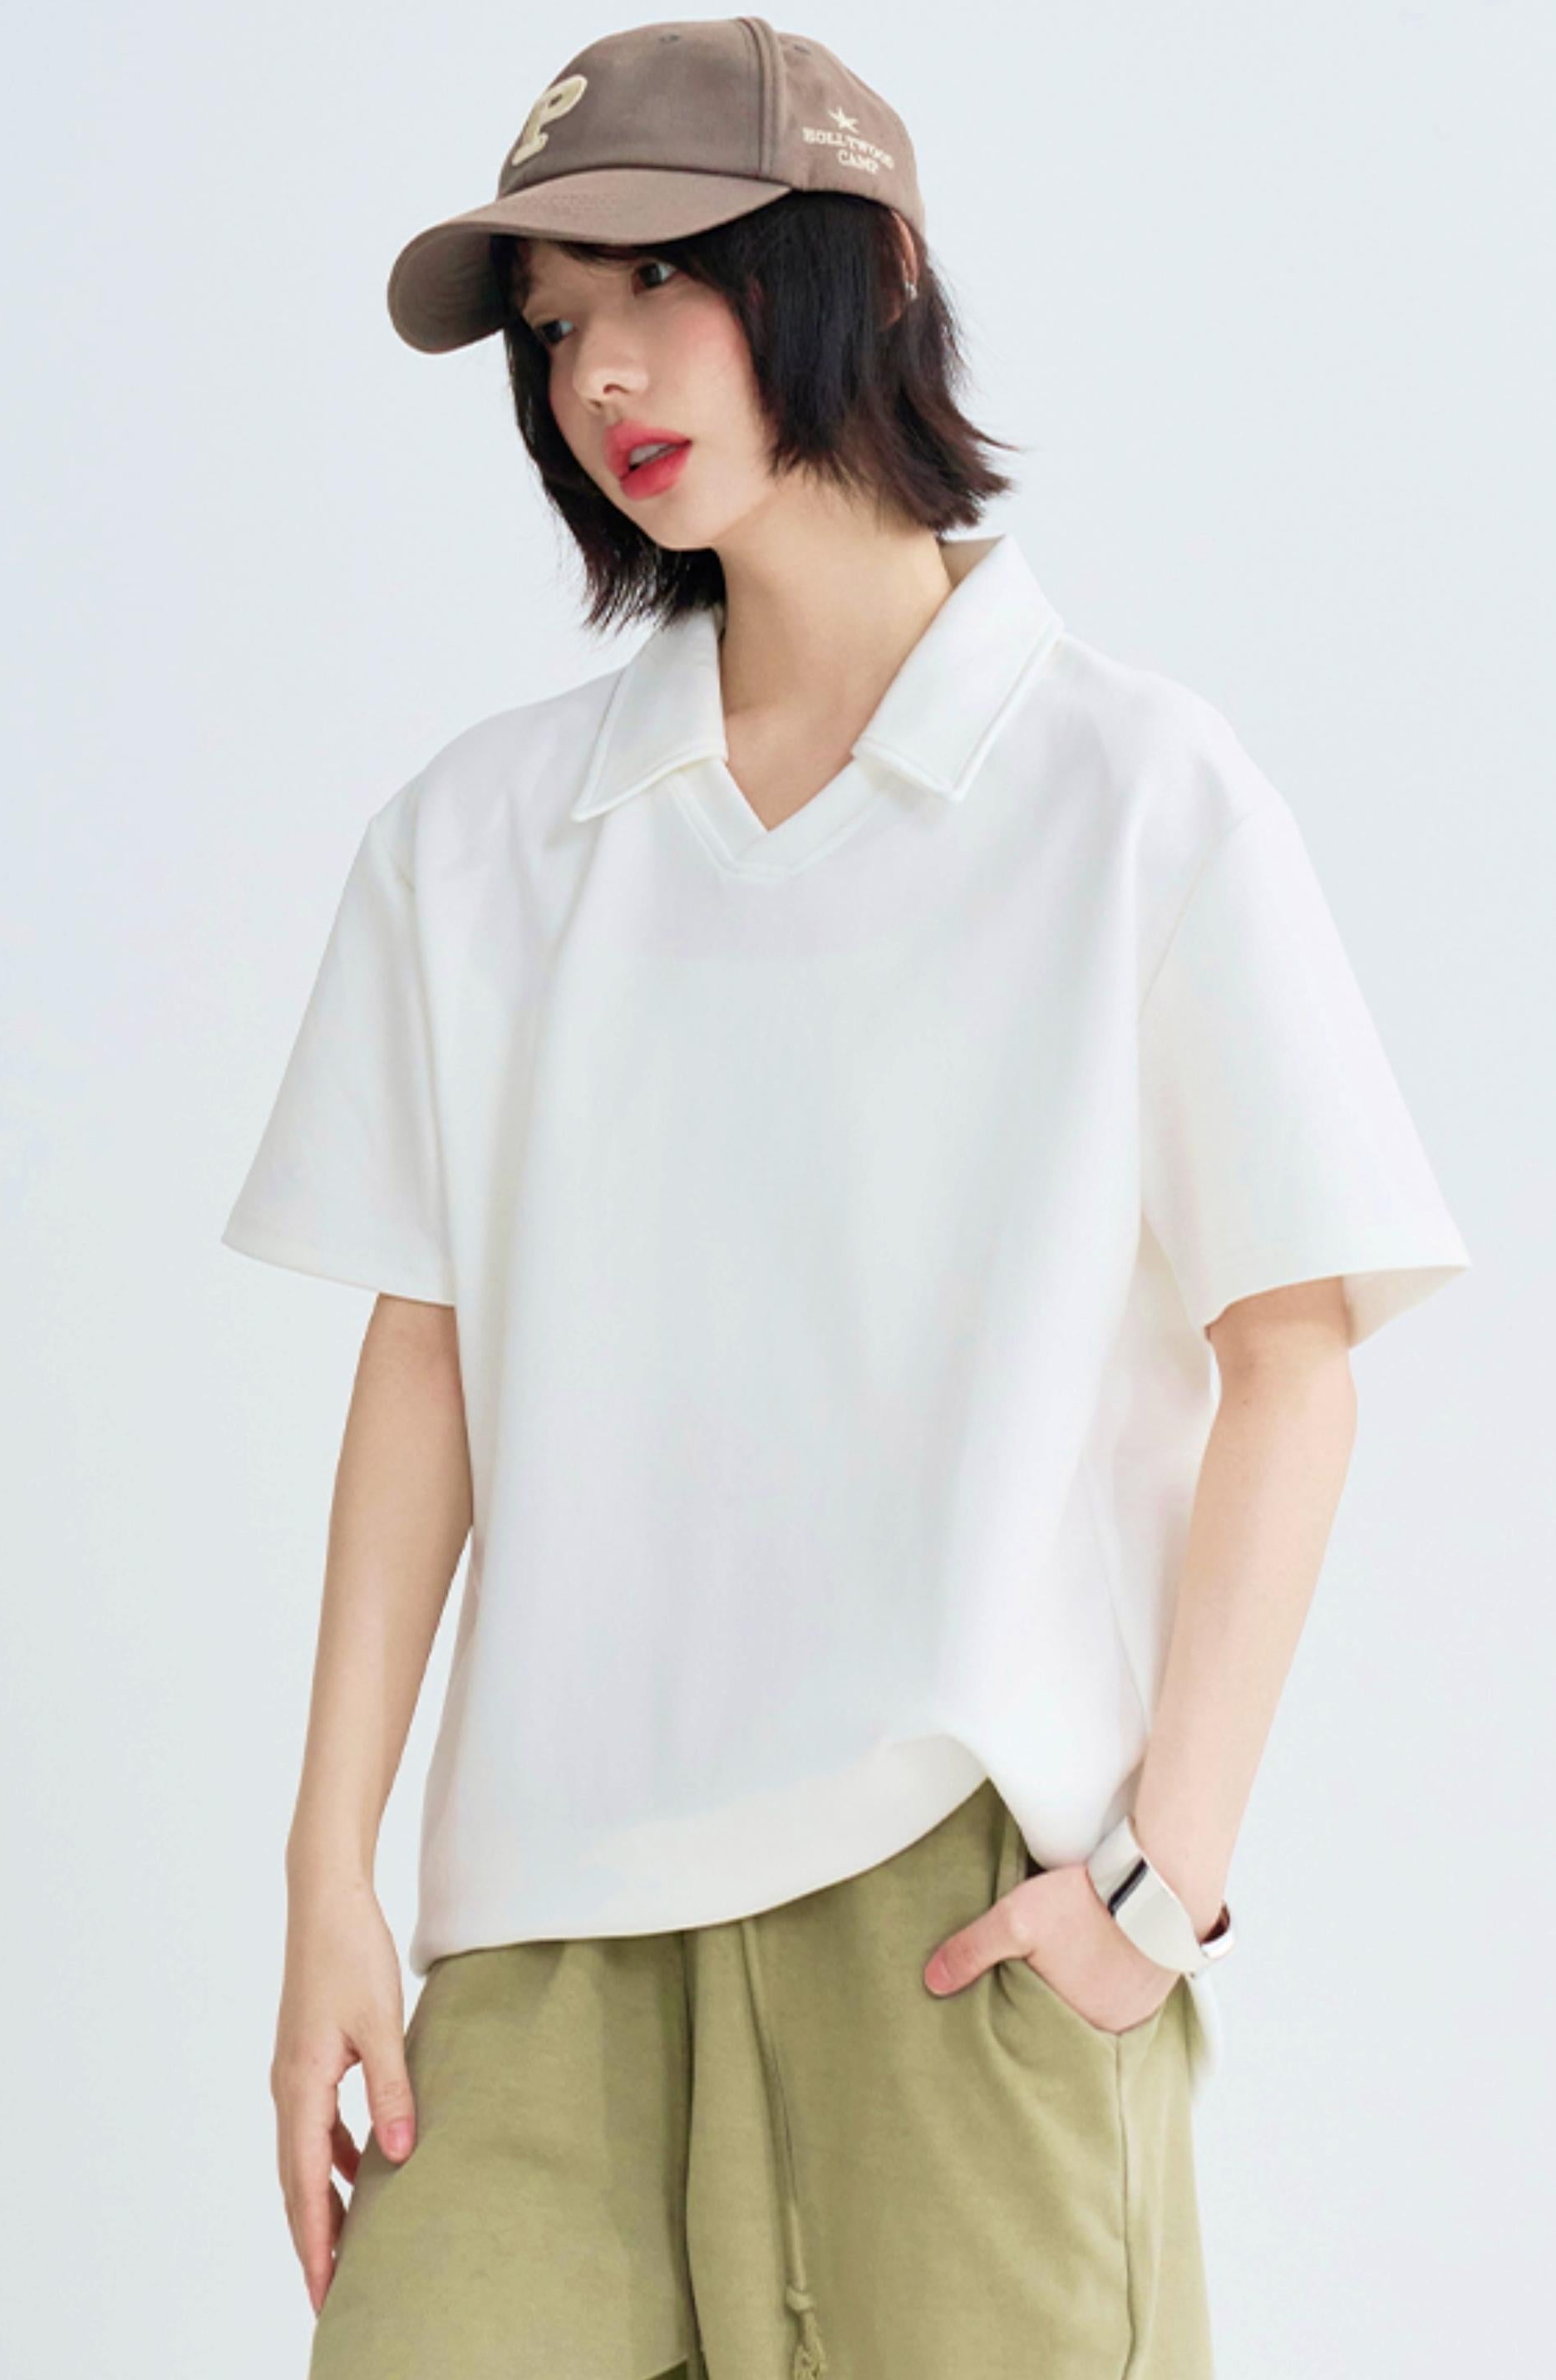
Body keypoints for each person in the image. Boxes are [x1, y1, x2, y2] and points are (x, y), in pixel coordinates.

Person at [222, 18, 1472, 2378]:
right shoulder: (482, 844)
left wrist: (1164, 1883)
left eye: (655, 284)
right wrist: (326, 1894)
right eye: (553, 326)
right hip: (546, 1938)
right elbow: (428, 1365)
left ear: (862, 273)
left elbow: (1293, 1355)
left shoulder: (1133, 796)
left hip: (955, 1920)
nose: (599, 375)